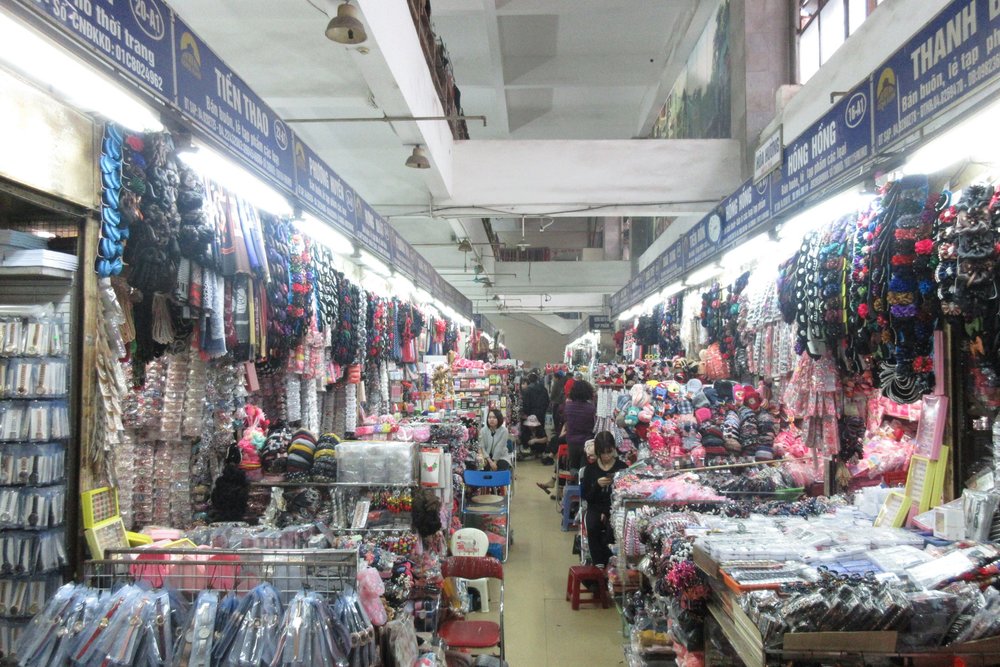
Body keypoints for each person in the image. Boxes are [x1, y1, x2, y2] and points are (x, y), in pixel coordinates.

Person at [581, 431, 627, 568]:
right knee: (593, 525)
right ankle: (598, 563)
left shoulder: (622, 468)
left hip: (616, 508)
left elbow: (626, 494)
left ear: (614, 449)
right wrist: (596, 486)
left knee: (614, 529)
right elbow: (587, 497)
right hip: (595, 507)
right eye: (603, 453)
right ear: (598, 452)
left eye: (609, 452)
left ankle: (610, 563)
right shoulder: (590, 470)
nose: (606, 456)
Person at [562, 379, 596, 471]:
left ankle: (572, 480)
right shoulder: (591, 408)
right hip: (587, 442)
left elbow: (566, 422)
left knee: (574, 467)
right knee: (584, 469)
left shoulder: (568, 407)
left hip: (571, 441)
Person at [519, 372, 549, 454]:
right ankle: (540, 449)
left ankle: (530, 447)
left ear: (529, 380)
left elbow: (526, 404)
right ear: (537, 379)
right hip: (541, 413)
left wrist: (526, 413)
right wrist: (543, 410)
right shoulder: (543, 389)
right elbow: (547, 401)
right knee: (541, 430)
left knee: (527, 431)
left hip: (531, 413)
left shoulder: (527, 390)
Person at [548, 370, 567, 457]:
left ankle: (557, 433)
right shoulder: (564, 382)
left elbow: (553, 394)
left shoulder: (556, 383)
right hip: (561, 403)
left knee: (556, 419)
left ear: (556, 377)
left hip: (557, 403)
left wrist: (551, 400)